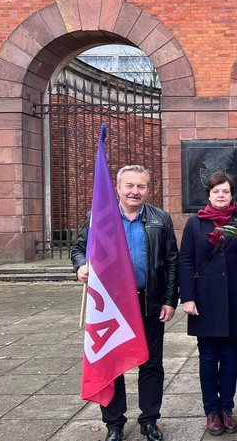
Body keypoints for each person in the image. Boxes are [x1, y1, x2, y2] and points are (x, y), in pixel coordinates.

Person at [71, 165, 178, 441]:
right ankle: (114, 423)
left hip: (149, 302)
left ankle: (149, 420)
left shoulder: (160, 218)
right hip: (112, 306)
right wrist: (81, 266)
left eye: (141, 186)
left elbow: (172, 262)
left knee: (151, 364)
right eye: (129, 185)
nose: (135, 191)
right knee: (112, 361)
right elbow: (79, 249)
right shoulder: (98, 217)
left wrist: (169, 300)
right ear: (118, 188)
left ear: (148, 190)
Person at [178, 171, 237, 436]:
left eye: (226, 191)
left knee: (231, 357)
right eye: (216, 191)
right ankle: (211, 411)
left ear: (232, 195)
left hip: (235, 298)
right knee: (208, 357)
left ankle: (226, 409)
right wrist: (187, 297)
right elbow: (185, 261)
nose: (221, 195)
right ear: (208, 195)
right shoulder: (195, 223)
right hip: (205, 299)